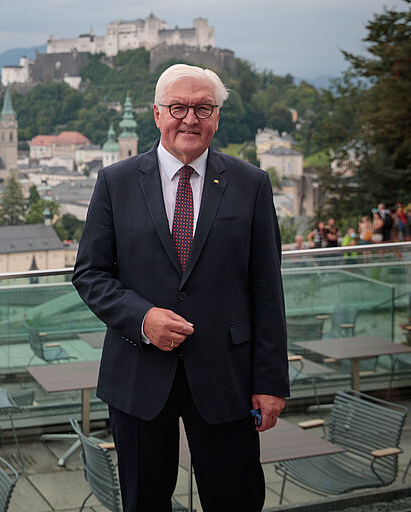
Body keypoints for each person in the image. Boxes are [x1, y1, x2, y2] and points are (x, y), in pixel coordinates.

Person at [73, 63, 288, 511]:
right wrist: (142, 318)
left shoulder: (251, 184)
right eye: (178, 107)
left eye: (203, 108)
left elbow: (267, 289)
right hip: (138, 373)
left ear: (216, 117)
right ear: (157, 114)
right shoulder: (115, 182)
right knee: (144, 502)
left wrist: (271, 382)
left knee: (236, 499)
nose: (190, 119)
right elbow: (90, 273)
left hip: (227, 376)